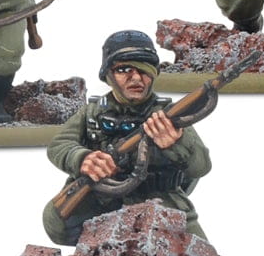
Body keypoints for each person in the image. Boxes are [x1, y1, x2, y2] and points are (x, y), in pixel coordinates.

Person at [42, 30, 214, 245]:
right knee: (57, 222)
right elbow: (59, 144)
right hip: (103, 199)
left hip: (160, 199)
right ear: (107, 75)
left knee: (197, 253)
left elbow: (201, 166)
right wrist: (82, 158)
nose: (136, 78)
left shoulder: (168, 114)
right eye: (124, 70)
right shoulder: (93, 111)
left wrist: (177, 143)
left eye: (144, 70)